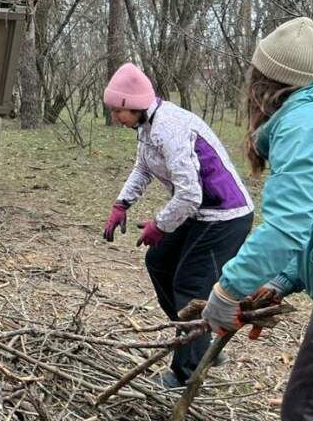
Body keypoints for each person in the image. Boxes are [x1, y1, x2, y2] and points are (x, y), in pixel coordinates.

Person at [201, 17, 313, 420]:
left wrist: (228, 290)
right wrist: (283, 280)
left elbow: (287, 227)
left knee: (309, 411)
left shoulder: (301, 126)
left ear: (262, 86)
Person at [102, 62, 253, 388]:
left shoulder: (169, 127)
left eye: (118, 111)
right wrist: (121, 204)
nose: (115, 117)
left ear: (134, 105)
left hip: (224, 216)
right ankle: (199, 342)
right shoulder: (145, 127)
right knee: (159, 262)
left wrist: (159, 225)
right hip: (197, 212)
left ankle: (185, 372)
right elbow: (142, 169)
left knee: (189, 284)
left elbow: (189, 193)